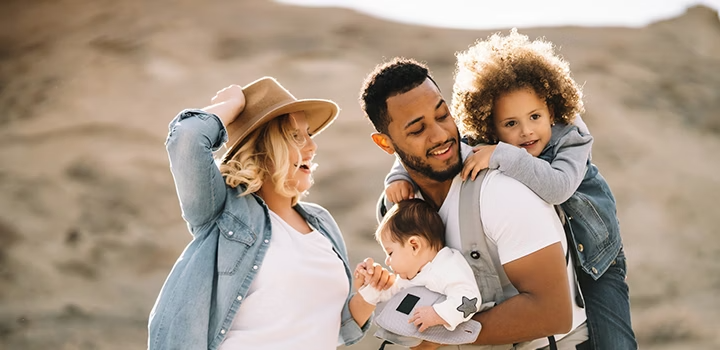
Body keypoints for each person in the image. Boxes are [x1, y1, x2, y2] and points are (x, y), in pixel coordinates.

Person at [384, 30, 636, 350]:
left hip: (598, 255)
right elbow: (438, 150)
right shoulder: (486, 143)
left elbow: (557, 188)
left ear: (552, 111)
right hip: (561, 256)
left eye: (534, 116)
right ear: (490, 126)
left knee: (616, 340)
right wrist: (397, 178)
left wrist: (504, 154)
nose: (526, 130)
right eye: (511, 124)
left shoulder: (571, 137)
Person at [359, 57, 589, 349]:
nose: (441, 135)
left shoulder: (501, 190)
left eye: (442, 116)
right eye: (417, 130)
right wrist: (380, 288)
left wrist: (437, 337)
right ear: (385, 144)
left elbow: (551, 313)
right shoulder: (397, 205)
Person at [147, 77, 392, 350]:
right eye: (296, 136)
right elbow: (187, 139)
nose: (312, 147)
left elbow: (334, 327)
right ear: (263, 148)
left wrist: (369, 294)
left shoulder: (322, 223)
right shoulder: (224, 210)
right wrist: (230, 106)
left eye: (310, 134)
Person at [356, 198, 482, 333]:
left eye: (390, 253)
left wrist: (437, 314)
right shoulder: (412, 274)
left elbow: (469, 299)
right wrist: (372, 286)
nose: (387, 261)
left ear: (414, 246)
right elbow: (391, 295)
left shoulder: (447, 267)